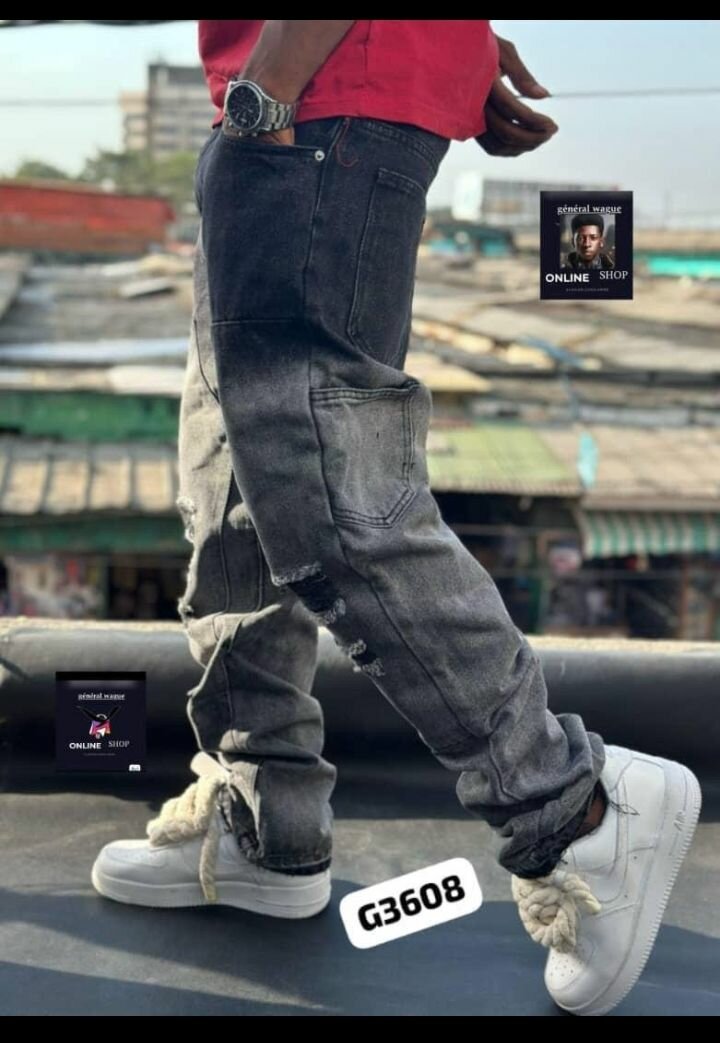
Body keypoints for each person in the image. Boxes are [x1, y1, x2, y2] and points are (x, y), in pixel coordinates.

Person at [92, 21, 701, 1016]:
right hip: (319, 87)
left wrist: (273, 83)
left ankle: (574, 806)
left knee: (328, 491)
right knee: (233, 479)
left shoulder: (288, 95)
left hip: (307, 100)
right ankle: (266, 818)